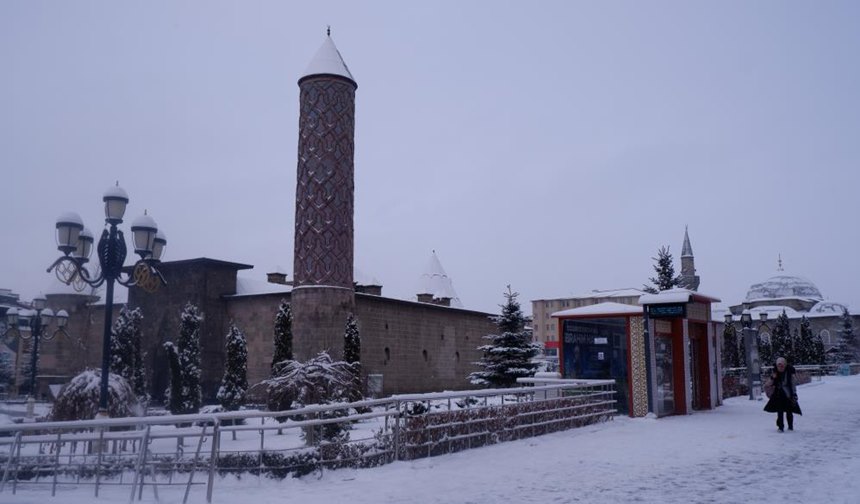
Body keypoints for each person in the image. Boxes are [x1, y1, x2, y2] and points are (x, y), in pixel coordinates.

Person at [763, 357, 802, 432]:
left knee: (789, 411)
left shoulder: (789, 372)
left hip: (788, 394)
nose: (780, 367)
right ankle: (781, 427)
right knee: (779, 411)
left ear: (785, 365)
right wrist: (772, 378)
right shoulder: (775, 373)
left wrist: (794, 393)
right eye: (779, 366)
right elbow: (767, 384)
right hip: (778, 395)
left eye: (782, 365)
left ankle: (790, 426)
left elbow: (793, 383)